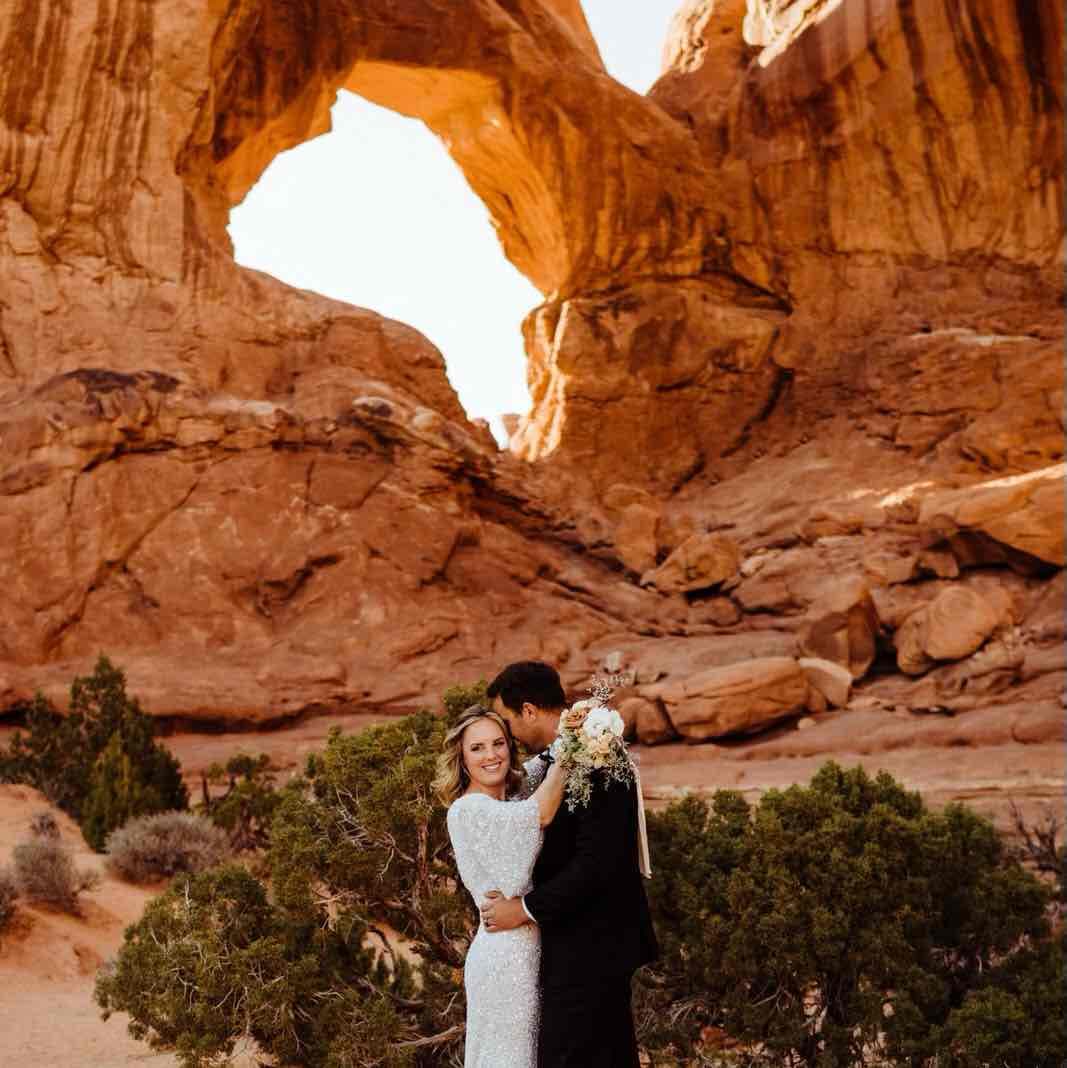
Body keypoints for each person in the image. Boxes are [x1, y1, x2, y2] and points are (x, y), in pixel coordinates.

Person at [482, 660, 659, 1068]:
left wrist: (523, 911)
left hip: (594, 941)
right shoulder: (553, 759)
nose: (506, 735)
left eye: (507, 722)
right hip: (573, 939)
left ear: (528, 710)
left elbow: (599, 863)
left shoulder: (598, 756)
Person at [436, 703, 567, 1068]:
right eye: (477, 748)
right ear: (461, 759)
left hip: (532, 949)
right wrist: (572, 754)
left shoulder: (510, 799)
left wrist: (573, 733)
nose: (491, 756)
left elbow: (535, 770)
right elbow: (540, 813)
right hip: (504, 960)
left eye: (498, 744)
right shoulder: (468, 810)